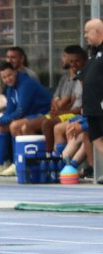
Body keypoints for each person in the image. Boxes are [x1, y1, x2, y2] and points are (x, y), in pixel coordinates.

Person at [0, 62, 51, 176]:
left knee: (14, 125)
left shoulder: (26, 84)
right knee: (1, 127)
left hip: (43, 114)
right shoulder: (10, 87)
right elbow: (9, 111)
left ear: (15, 72)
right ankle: (1, 163)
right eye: (4, 77)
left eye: (9, 75)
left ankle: (17, 162)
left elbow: (21, 111)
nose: (7, 79)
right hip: (29, 115)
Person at [23, 45, 87, 157]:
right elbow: (66, 99)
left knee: (48, 124)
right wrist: (58, 108)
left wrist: (60, 111)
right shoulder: (71, 78)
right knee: (28, 126)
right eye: (72, 61)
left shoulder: (86, 77)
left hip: (77, 114)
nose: (74, 64)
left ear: (85, 61)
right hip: (67, 112)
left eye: (77, 61)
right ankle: (34, 159)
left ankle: (49, 157)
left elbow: (75, 106)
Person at [80, 19, 103, 184]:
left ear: (98, 31)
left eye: (87, 32)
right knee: (96, 138)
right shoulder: (94, 53)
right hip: (92, 106)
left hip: (101, 104)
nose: (85, 36)